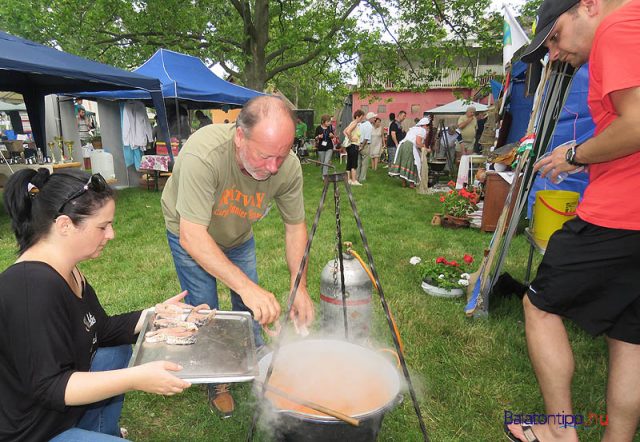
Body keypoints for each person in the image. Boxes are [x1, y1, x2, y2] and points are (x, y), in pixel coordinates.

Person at [505, 1, 640, 441]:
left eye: (556, 36)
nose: (555, 53)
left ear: (588, 6)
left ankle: (558, 431)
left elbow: (637, 124)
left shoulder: (617, 26)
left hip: (620, 212)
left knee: (539, 306)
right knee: (629, 334)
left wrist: (574, 154)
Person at [0, 169, 191, 441]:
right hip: (33, 433)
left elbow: (100, 329)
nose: (111, 234)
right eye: (102, 226)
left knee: (114, 352)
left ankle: (101, 432)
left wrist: (154, 316)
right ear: (65, 225)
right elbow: (51, 387)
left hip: (58, 415)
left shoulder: (68, 270)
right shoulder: (31, 289)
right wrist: (136, 377)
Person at [160, 96, 314, 417]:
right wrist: (246, 286)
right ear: (240, 137)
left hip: (238, 233)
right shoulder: (204, 155)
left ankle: (253, 353)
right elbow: (193, 235)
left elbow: (295, 227)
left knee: (249, 303)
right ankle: (218, 379)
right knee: (207, 307)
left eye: (281, 156)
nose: (273, 168)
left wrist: (299, 286)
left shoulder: (286, 167)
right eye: (265, 156)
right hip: (190, 232)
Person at [388, 117, 430, 188]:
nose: (428, 127)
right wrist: (426, 149)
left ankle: (404, 183)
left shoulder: (414, 128)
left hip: (403, 145)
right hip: (409, 147)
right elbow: (418, 143)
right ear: (425, 125)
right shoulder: (422, 130)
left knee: (403, 163)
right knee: (413, 163)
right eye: (428, 126)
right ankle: (411, 184)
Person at [343, 109, 365, 186]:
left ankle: (348, 179)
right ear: (357, 116)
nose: (362, 119)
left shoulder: (352, 123)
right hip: (353, 146)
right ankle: (354, 180)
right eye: (361, 117)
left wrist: (349, 138)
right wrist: (351, 138)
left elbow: (344, 131)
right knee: (354, 164)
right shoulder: (355, 123)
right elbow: (348, 131)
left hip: (350, 146)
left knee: (349, 163)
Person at [356, 112, 376, 183]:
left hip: (358, 143)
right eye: (374, 117)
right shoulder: (369, 126)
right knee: (365, 163)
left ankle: (356, 177)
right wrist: (362, 146)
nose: (375, 119)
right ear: (370, 118)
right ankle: (362, 178)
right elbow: (366, 137)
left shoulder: (361, 124)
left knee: (358, 162)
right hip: (365, 145)